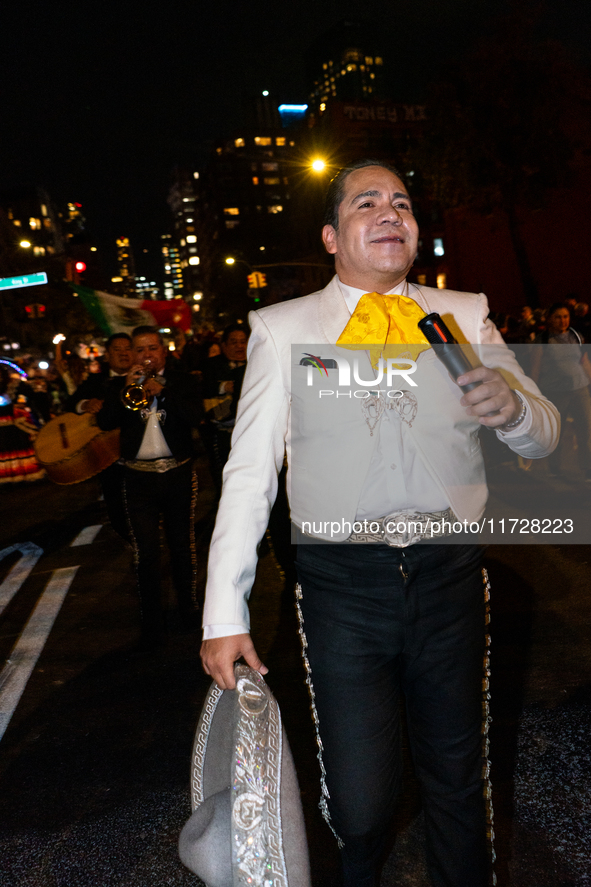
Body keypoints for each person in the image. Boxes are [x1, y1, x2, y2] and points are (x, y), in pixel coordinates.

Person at [200, 160, 559, 887]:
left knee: (458, 777)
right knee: (361, 803)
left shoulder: (461, 311)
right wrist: (222, 611)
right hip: (343, 585)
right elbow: (248, 473)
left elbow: (543, 433)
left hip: (449, 572)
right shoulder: (281, 328)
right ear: (333, 236)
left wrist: (514, 408)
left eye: (400, 201)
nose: (389, 210)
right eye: (367, 202)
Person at [97, 326, 202, 649]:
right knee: (146, 554)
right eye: (140, 350)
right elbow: (104, 422)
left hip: (177, 474)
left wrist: (164, 392)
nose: (146, 356)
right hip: (138, 477)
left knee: (181, 546)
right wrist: (126, 388)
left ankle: (189, 611)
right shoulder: (121, 384)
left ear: (164, 350)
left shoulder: (183, 380)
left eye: (152, 349)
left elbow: (197, 416)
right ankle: (152, 622)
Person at [65, 333, 132, 539]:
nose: (123, 354)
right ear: (107, 355)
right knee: (116, 505)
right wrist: (85, 404)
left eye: (127, 349)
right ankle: (131, 542)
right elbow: (71, 404)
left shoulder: (146, 376)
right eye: (117, 350)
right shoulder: (97, 381)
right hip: (109, 456)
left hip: (140, 453)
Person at [531, 302, 591, 480]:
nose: (562, 320)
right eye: (558, 317)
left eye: (565, 316)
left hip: (580, 389)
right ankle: (554, 467)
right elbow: (536, 368)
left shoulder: (576, 336)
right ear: (550, 319)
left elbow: (584, 362)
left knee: (586, 429)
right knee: (558, 431)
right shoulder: (543, 340)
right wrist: (533, 394)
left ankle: (587, 468)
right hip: (555, 392)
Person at [201, 323, 248, 491]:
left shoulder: (257, 363)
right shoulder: (211, 365)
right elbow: (202, 388)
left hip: (249, 431)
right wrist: (224, 387)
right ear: (224, 345)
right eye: (234, 342)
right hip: (220, 432)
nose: (239, 346)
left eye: (243, 341)